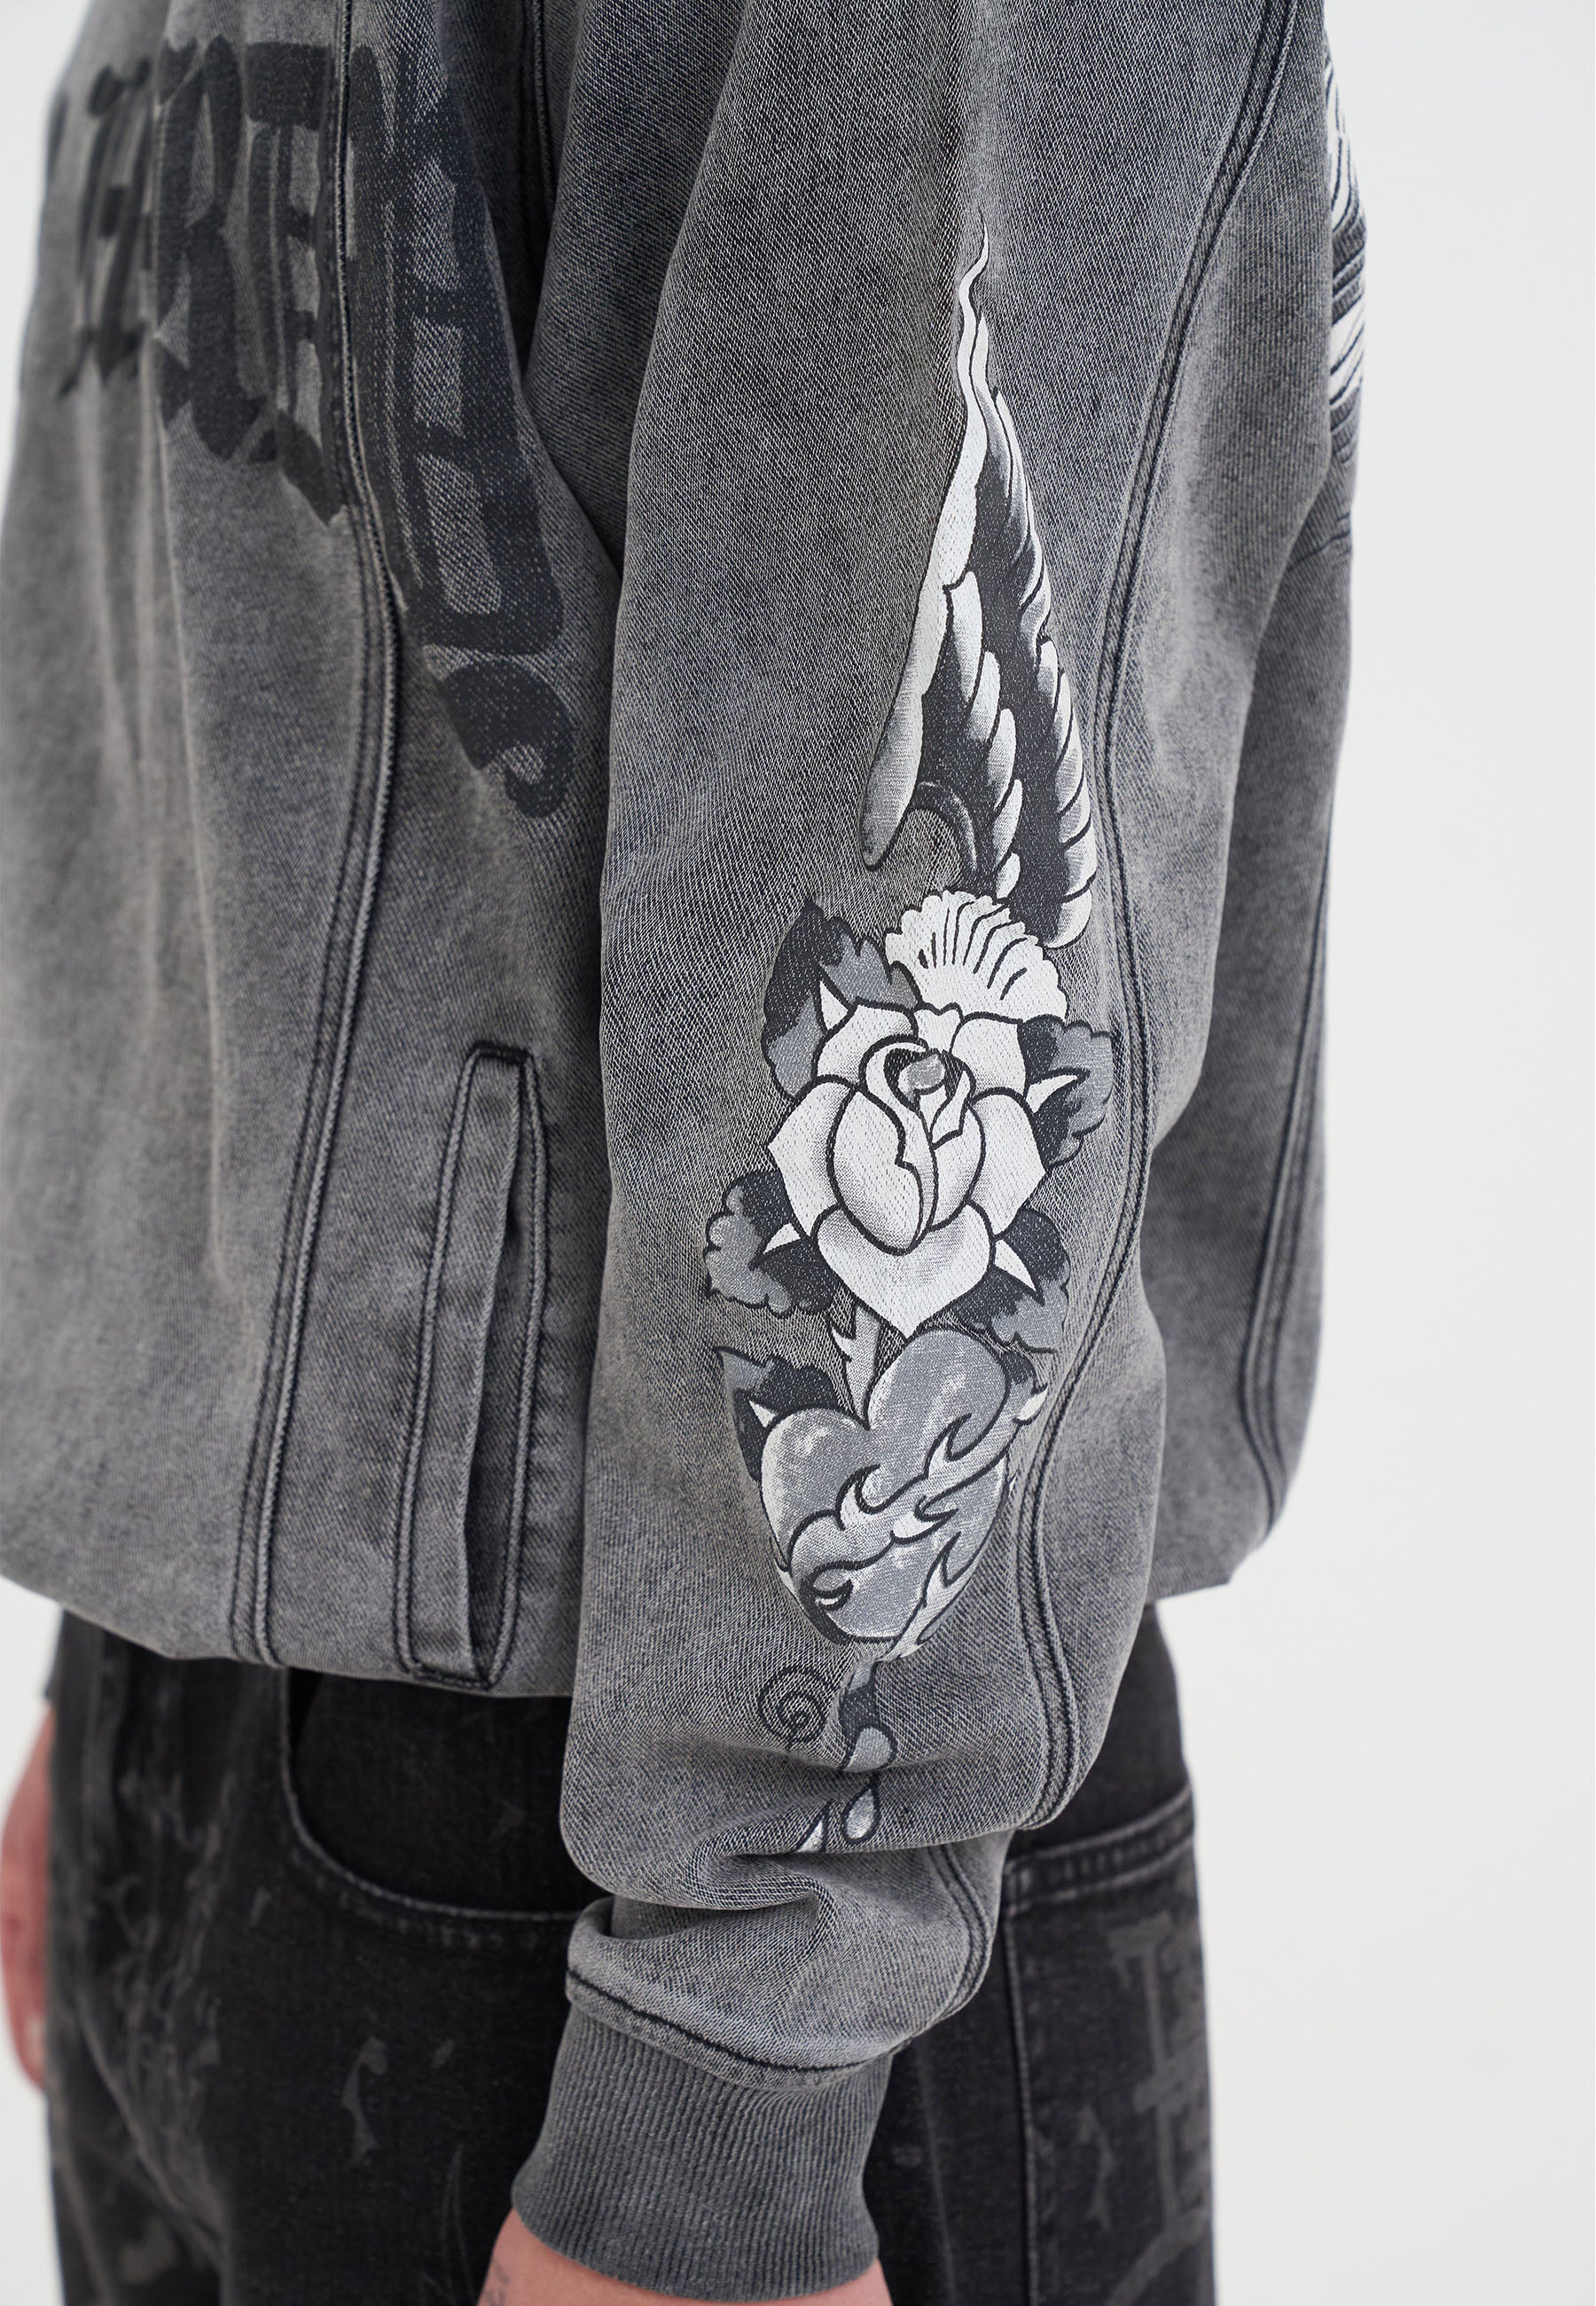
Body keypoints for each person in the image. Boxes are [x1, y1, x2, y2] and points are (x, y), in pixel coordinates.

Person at [0, 0, 1362, 2297]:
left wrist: (732, 2081)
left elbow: (914, 777)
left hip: (702, 1871)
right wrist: (134, 1660)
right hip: (290, 1777)